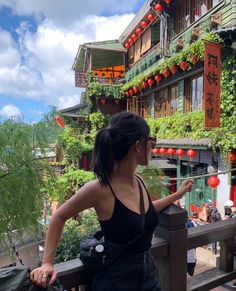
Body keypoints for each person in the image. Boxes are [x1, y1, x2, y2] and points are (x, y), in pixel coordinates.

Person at [30, 112, 193, 291]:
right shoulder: (100, 188)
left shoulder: (138, 181)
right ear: (138, 146)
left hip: (149, 278)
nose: (152, 145)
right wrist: (47, 263)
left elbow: (144, 212)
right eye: (150, 140)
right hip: (115, 282)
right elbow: (59, 216)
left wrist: (176, 195)